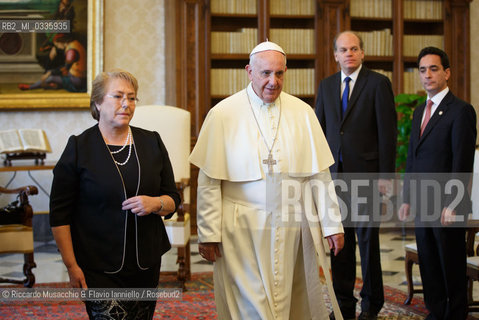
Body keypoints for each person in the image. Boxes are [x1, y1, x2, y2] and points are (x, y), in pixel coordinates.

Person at [189, 41, 345, 320]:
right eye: (265, 74)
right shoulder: (223, 113)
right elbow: (210, 182)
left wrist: (332, 224)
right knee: (251, 306)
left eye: (279, 74)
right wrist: (209, 233)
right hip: (240, 229)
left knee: (291, 300)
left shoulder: (303, 113)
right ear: (249, 71)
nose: (273, 82)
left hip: (291, 227)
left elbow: (319, 175)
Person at [50, 70, 181, 319]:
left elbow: (173, 198)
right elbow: (59, 216)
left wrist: (155, 203)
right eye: (118, 96)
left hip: (146, 262)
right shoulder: (78, 147)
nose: (126, 104)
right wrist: (71, 265)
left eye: (132, 98)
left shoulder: (152, 142)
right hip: (97, 264)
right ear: (98, 102)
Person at [315, 31, 397, 320]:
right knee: (340, 245)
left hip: (368, 179)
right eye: (343, 49)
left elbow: (388, 134)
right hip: (335, 181)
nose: (348, 54)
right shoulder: (325, 86)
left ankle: (371, 304)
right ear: (335, 55)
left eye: (353, 49)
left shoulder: (378, 84)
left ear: (362, 53)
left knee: (368, 244)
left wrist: (387, 176)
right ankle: (343, 305)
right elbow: (320, 134)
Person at [398, 47, 477, 319]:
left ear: (447, 73)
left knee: (450, 264)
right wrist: (406, 198)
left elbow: (462, 163)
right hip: (422, 201)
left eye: (433, 69)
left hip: (447, 205)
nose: (427, 75)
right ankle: (435, 311)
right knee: (429, 262)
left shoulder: (461, 111)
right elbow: (412, 158)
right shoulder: (420, 111)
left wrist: (453, 204)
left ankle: (455, 314)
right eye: (422, 70)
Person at [20, 33, 86, 92]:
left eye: (57, 45)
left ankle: (30, 87)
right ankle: (43, 85)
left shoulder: (71, 51)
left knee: (51, 78)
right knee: (52, 78)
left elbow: (65, 69)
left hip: (77, 80)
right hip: (76, 76)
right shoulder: (74, 44)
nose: (58, 47)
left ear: (61, 41)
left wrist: (50, 73)